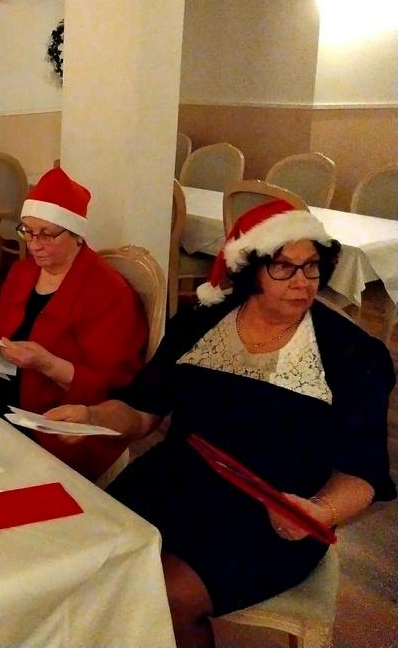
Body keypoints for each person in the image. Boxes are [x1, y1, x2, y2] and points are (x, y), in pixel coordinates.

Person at [45, 200, 396, 648]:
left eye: (311, 266)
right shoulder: (200, 323)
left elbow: (362, 473)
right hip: (173, 481)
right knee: (83, 559)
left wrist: (320, 511)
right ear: (250, 270)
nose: (302, 282)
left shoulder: (352, 353)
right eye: (283, 267)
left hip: (272, 511)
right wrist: (92, 416)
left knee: (163, 594)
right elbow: (142, 411)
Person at [0, 167, 148, 481]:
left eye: (46, 234)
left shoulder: (107, 291)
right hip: (3, 399)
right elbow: (0, 334)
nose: (34, 244)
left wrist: (46, 364)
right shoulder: (22, 272)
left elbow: (113, 385)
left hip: (57, 421)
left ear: (76, 234)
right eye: (27, 231)